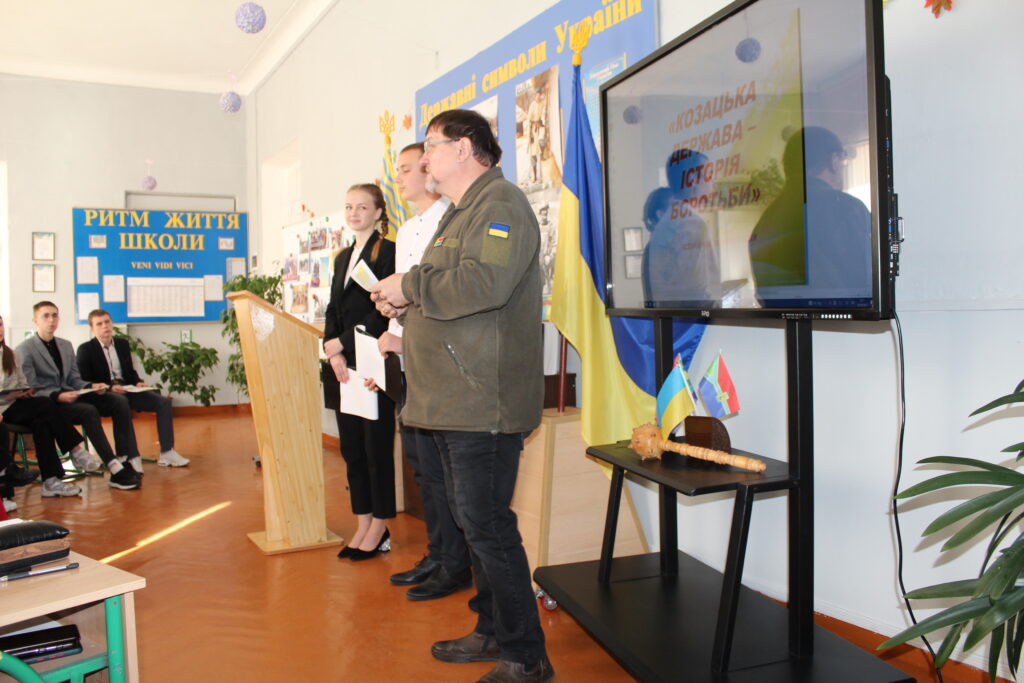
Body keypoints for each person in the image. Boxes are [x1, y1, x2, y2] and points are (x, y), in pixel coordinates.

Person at [371, 109, 552, 683]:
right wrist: (406, 301)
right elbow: (449, 290)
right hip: (454, 399)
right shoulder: (461, 211)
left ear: (466, 148)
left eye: (432, 145)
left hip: (482, 403)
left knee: (488, 527)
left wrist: (409, 285)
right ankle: (493, 629)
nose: (423, 157)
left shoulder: (500, 206)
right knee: (476, 525)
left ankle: (526, 656)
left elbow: (484, 284)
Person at [374, 142, 472, 601]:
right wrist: (391, 320)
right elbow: (405, 296)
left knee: (440, 469)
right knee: (421, 467)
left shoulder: (449, 221)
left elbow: (440, 294)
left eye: (409, 167)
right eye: (399, 169)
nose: (401, 176)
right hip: (407, 359)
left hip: (435, 361)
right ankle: (438, 553)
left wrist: (405, 331)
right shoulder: (408, 228)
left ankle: (456, 563)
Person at [323, 183, 396, 561]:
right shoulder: (342, 257)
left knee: (375, 449)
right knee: (351, 449)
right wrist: (330, 349)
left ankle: (380, 526)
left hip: (371, 362)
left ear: (378, 212)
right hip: (342, 366)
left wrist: (343, 343)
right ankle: (363, 520)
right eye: (349, 206)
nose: (354, 213)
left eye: (362, 207)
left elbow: (381, 311)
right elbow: (332, 308)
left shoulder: (388, 253)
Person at [15, 301, 141, 490]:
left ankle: (123, 458)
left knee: (117, 401)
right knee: (88, 411)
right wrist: (57, 396)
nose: (51, 320)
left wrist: (91, 386)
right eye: (45, 316)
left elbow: (74, 378)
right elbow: (31, 387)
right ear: (35, 321)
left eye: (54, 315)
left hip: (70, 396)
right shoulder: (25, 349)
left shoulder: (65, 345)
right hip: (48, 402)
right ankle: (113, 466)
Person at [748, 126, 872, 303]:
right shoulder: (846, 208)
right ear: (834, 160)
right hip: (843, 318)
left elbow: (764, 296)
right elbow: (869, 280)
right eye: (844, 161)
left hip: (782, 319)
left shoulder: (766, 220)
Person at [76, 309, 189, 469]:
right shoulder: (85, 349)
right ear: (92, 328)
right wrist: (110, 387)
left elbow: (130, 371)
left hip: (126, 389)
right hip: (103, 394)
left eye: (107, 322)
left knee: (163, 402)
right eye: (99, 324)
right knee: (121, 403)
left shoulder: (122, 344)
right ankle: (131, 456)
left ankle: (167, 452)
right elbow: (85, 380)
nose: (105, 326)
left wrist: (138, 382)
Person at [0, 314, 86, 499]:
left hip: (18, 403)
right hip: (3, 408)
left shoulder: (10, 354)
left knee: (42, 422)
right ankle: (75, 449)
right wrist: (8, 395)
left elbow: (21, 381)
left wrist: (25, 391)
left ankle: (51, 481)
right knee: (46, 404)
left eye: (0, 325)